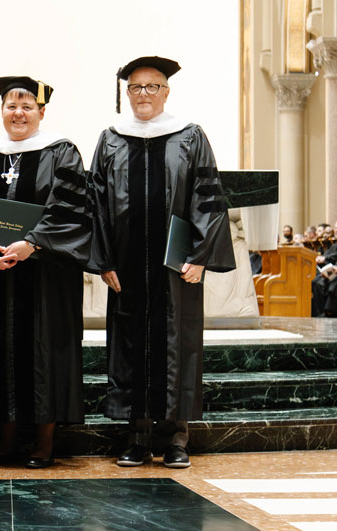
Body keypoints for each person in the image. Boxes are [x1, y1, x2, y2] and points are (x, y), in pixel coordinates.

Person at [89, 56, 235, 468]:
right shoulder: (111, 138)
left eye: (152, 87)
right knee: (130, 347)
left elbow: (208, 197)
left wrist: (200, 256)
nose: (144, 95)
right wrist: (104, 260)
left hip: (176, 268)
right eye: (136, 87)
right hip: (128, 267)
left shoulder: (190, 137)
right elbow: (96, 203)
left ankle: (176, 438)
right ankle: (136, 437)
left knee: (177, 346)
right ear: (127, 93)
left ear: (167, 92)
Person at [0, 76, 92, 469]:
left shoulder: (62, 153)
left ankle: (44, 441)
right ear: (2, 110)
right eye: (12, 105)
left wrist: (34, 243)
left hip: (46, 275)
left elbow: (71, 208)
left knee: (46, 349)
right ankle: (5, 439)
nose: (19, 113)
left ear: (42, 112)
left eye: (28, 106)